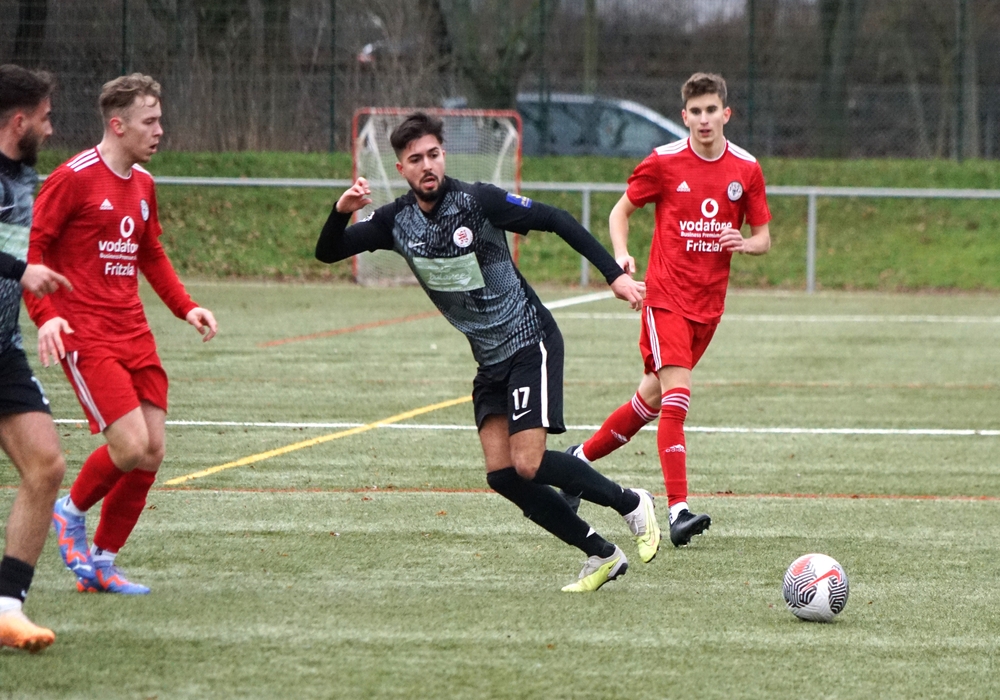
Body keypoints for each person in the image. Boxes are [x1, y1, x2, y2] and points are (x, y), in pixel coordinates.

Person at [316, 112, 660, 592]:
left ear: (444, 155)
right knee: (502, 474)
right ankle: (601, 554)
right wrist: (340, 210)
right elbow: (328, 251)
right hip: (490, 360)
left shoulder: (477, 201)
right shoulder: (396, 222)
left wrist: (614, 276)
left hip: (529, 340)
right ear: (401, 169)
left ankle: (631, 503)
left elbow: (556, 219)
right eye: (415, 159)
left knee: (529, 463)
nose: (427, 165)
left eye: (433, 154)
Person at [25, 73, 218, 596]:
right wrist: (46, 316)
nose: (160, 131)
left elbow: (150, 253)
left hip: (134, 332)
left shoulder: (144, 184)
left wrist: (186, 307)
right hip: (86, 334)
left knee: (151, 451)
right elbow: (31, 251)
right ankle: (69, 511)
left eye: (160, 120)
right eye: (149, 122)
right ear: (118, 125)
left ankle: (103, 563)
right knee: (129, 445)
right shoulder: (72, 178)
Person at [565, 73, 771, 547]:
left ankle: (576, 463)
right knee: (677, 398)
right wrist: (621, 255)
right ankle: (679, 511)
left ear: (726, 113)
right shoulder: (664, 161)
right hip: (665, 300)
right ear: (685, 116)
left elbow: (763, 237)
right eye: (695, 111)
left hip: (709, 307)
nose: (704, 119)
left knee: (649, 402)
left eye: (711, 110)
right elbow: (620, 212)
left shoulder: (746, 168)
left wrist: (744, 243)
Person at [0, 64, 75, 652]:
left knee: (45, 466)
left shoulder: (23, 175)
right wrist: (21, 269)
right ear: (19, 121)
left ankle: (6, 609)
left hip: (3, 348)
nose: (51, 129)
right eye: (46, 118)